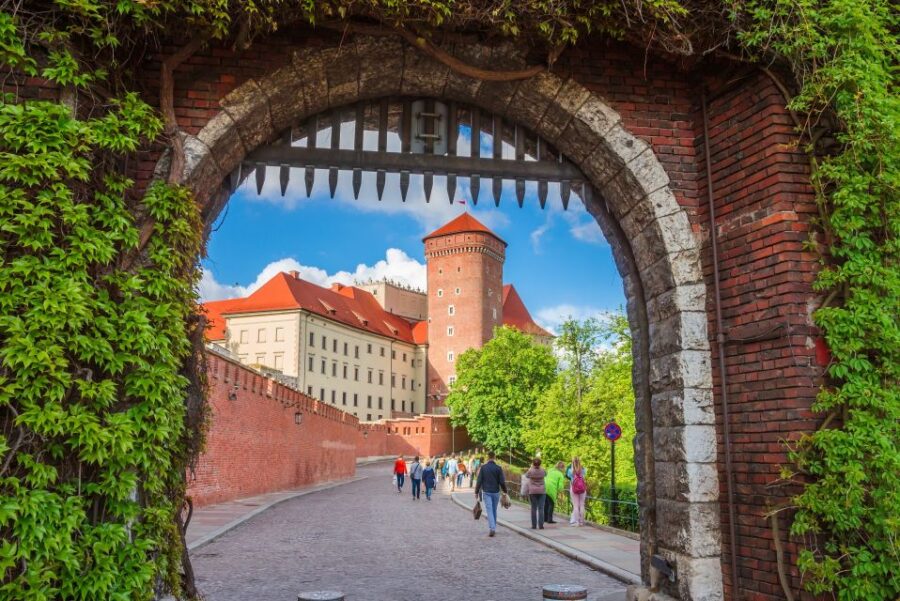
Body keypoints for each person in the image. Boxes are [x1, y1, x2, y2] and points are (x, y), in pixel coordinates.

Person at [474, 451, 507, 537]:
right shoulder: (498, 468)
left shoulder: (483, 468)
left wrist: (476, 492)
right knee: (494, 510)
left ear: (488, 457)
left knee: (489, 510)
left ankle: (492, 528)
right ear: (494, 457)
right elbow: (502, 482)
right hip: (496, 492)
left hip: (487, 492)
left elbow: (479, 481)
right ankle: (493, 527)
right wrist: (505, 491)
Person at [525, 458, 547, 530]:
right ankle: (541, 525)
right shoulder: (542, 470)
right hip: (542, 491)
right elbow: (546, 474)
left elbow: (526, 475)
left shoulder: (531, 470)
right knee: (541, 508)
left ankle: (534, 525)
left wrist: (531, 467)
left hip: (533, 491)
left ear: (533, 463)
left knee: (533, 508)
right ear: (540, 463)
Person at [567, 456, 588, 526]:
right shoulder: (583, 469)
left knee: (575, 506)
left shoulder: (570, 470)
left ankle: (577, 522)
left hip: (574, 489)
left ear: (572, 462)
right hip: (582, 489)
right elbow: (585, 475)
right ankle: (582, 522)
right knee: (582, 505)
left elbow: (568, 476)